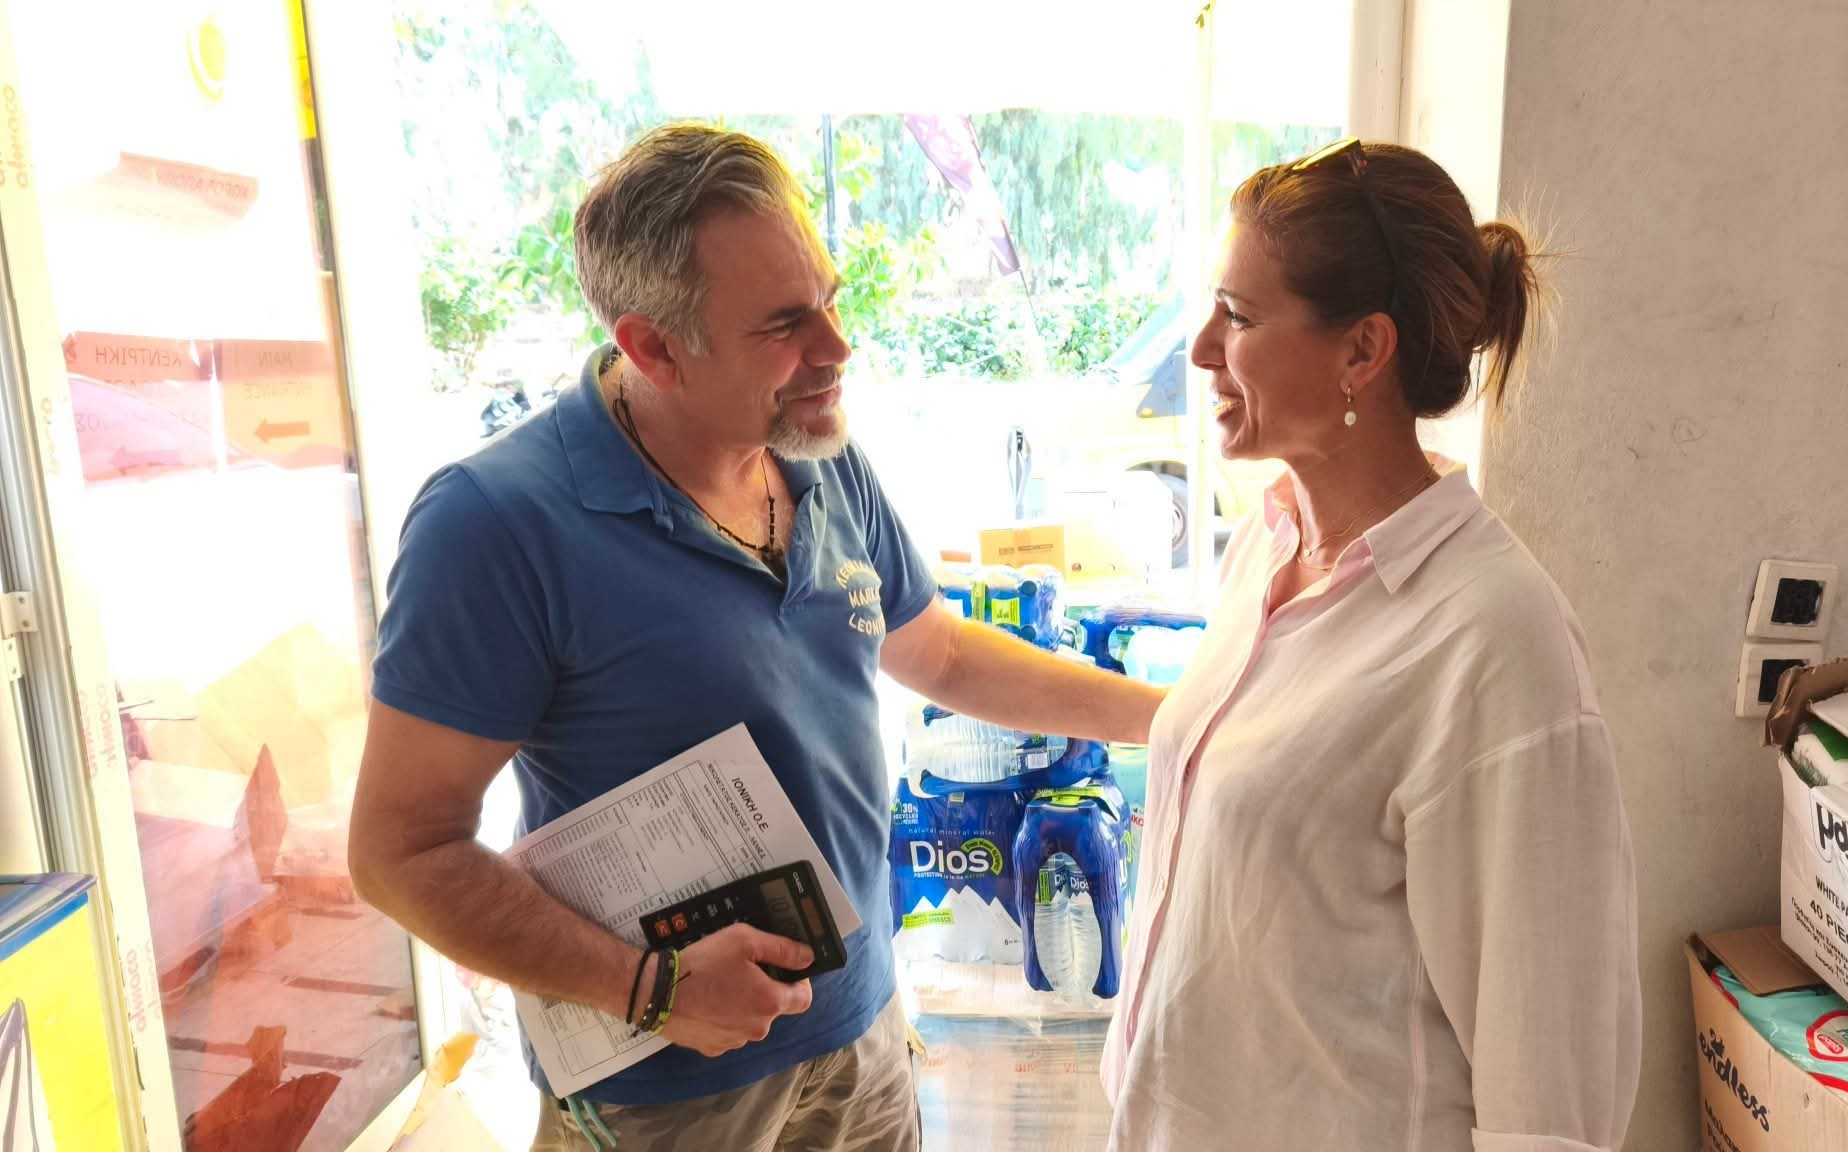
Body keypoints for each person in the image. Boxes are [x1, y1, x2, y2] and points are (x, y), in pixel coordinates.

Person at [347, 124, 1164, 1152]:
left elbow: (942, 656)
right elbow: (400, 852)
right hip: (666, 1089)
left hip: (862, 1031)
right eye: (785, 324)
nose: (838, 347)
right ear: (652, 347)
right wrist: (649, 987)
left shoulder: (816, 453)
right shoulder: (495, 524)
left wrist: (1178, 715)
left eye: (829, 299)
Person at [1101, 138, 1641, 1151]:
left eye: (1239, 316)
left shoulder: (1492, 639)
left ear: (1361, 352)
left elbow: (1549, 1090)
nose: (1201, 349)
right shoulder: (1266, 544)